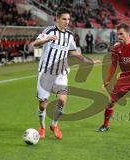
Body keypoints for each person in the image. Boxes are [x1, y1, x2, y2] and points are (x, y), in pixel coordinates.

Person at [32, 7, 100, 140]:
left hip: (61, 72)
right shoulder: (49, 30)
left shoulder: (69, 35)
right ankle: (42, 127)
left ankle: (54, 124)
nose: (67, 21)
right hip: (45, 73)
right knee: (42, 104)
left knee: (62, 100)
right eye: (64, 19)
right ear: (57, 18)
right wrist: (46, 40)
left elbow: (74, 51)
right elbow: (35, 44)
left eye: (68, 19)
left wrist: (88, 61)